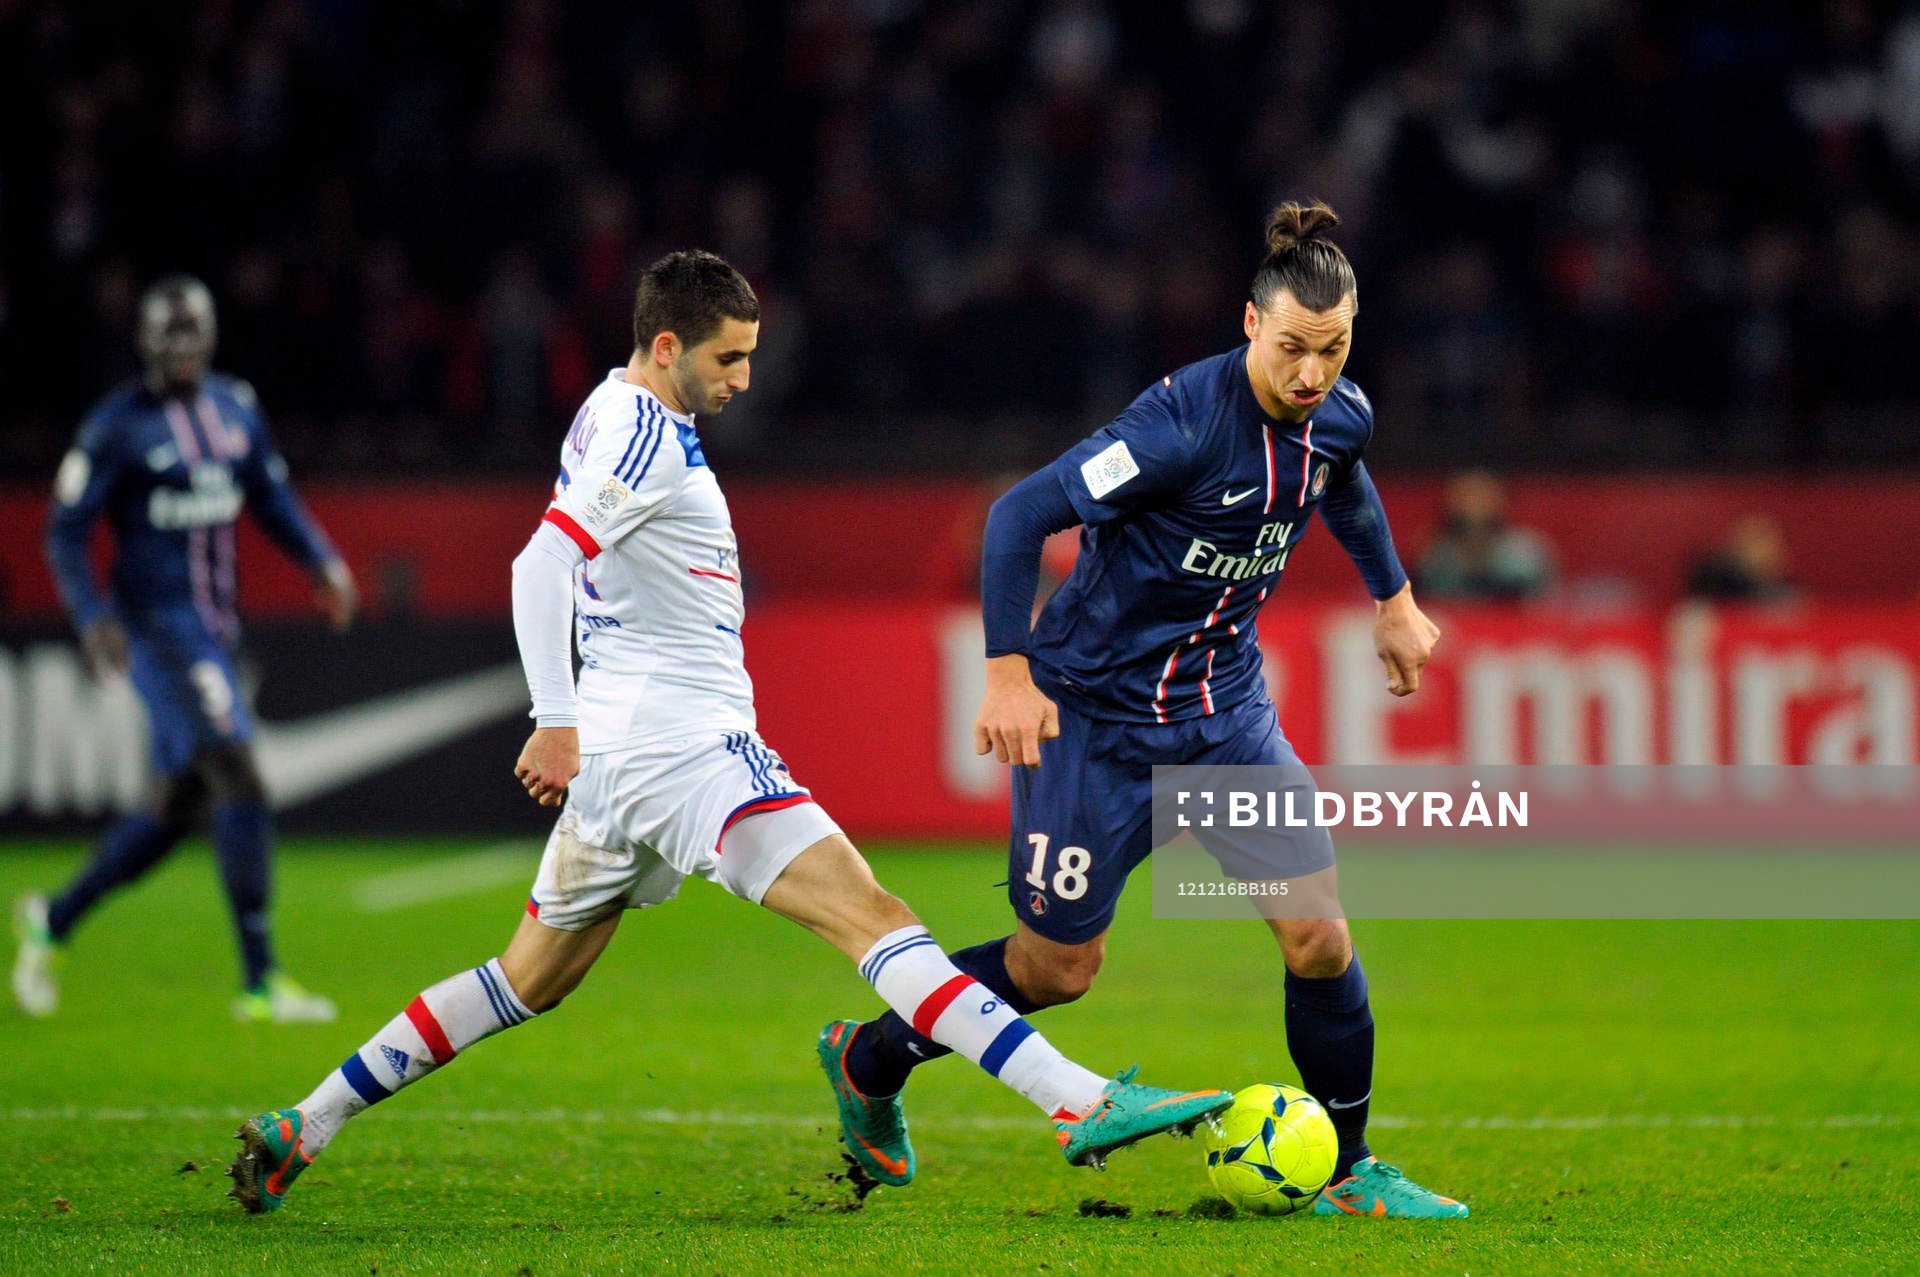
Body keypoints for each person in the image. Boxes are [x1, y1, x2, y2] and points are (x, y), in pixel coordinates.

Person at [224, 251, 1229, 1215]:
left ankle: (306, 1120)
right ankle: (1078, 1099)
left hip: (626, 760)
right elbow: (540, 567)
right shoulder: (643, 437)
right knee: (875, 918)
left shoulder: (613, 412)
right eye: (728, 358)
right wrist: (552, 716)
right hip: (682, 746)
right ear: (666, 346)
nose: (746, 377)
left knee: (524, 977)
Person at [821, 204, 1469, 1219]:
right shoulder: (1175, 427)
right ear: (1250, 324)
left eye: (1333, 349)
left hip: (1228, 716)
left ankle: (1348, 1164)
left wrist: (1394, 598)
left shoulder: (1340, 413)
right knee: (1058, 967)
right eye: (1293, 347)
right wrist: (1005, 673)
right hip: (1096, 722)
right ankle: (869, 1053)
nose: (1312, 374)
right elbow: (1020, 513)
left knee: (1320, 940)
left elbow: (1340, 479)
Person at [13, 275, 356, 1023]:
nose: (182, 353)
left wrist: (321, 560)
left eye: (191, 337)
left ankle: (54, 918)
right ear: (145, 345)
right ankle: (261, 980)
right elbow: (64, 532)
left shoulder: (236, 408)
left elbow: (269, 497)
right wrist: (93, 615)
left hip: (214, 629)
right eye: (168, 340)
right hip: (158, 632)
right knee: (240, 771)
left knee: (179, 808)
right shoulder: (115, 425)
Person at [1414, 469, 1555, 601]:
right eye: (1465, 495)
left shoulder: (1525, 550)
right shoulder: (1435, 552)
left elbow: (1536, 600)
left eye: (1483, 495)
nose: (1474, 503)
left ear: (1501, 501)